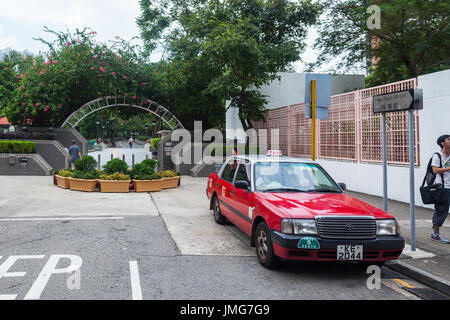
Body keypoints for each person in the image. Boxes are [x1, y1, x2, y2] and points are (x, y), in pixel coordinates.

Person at [430, 134, 450, 243]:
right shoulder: (437, 155)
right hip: (442, 187)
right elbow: (435, 170)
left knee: (441, 210)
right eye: (448, 139)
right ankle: (435, 234)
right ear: (442, 143)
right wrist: (448, 168)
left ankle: (435, 232)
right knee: (442, 210)